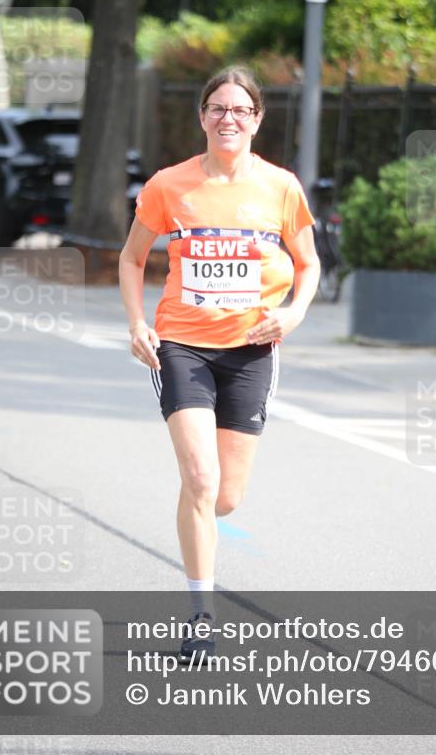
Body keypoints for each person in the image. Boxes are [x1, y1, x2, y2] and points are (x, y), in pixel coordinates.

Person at [119, 66, 320, 661]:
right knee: (201, 479)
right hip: (181, 343)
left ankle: (199, 506)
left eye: (239, 110)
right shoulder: (168, 186)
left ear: (257, 119)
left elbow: (309, 267)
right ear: (202, 116)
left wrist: (293, 314)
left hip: (253, 347)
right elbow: (132, 259)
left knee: (224, 495)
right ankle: (202, 615)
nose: (227, 118)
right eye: (216, 108)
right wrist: (137, 322)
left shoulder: (281, 188)